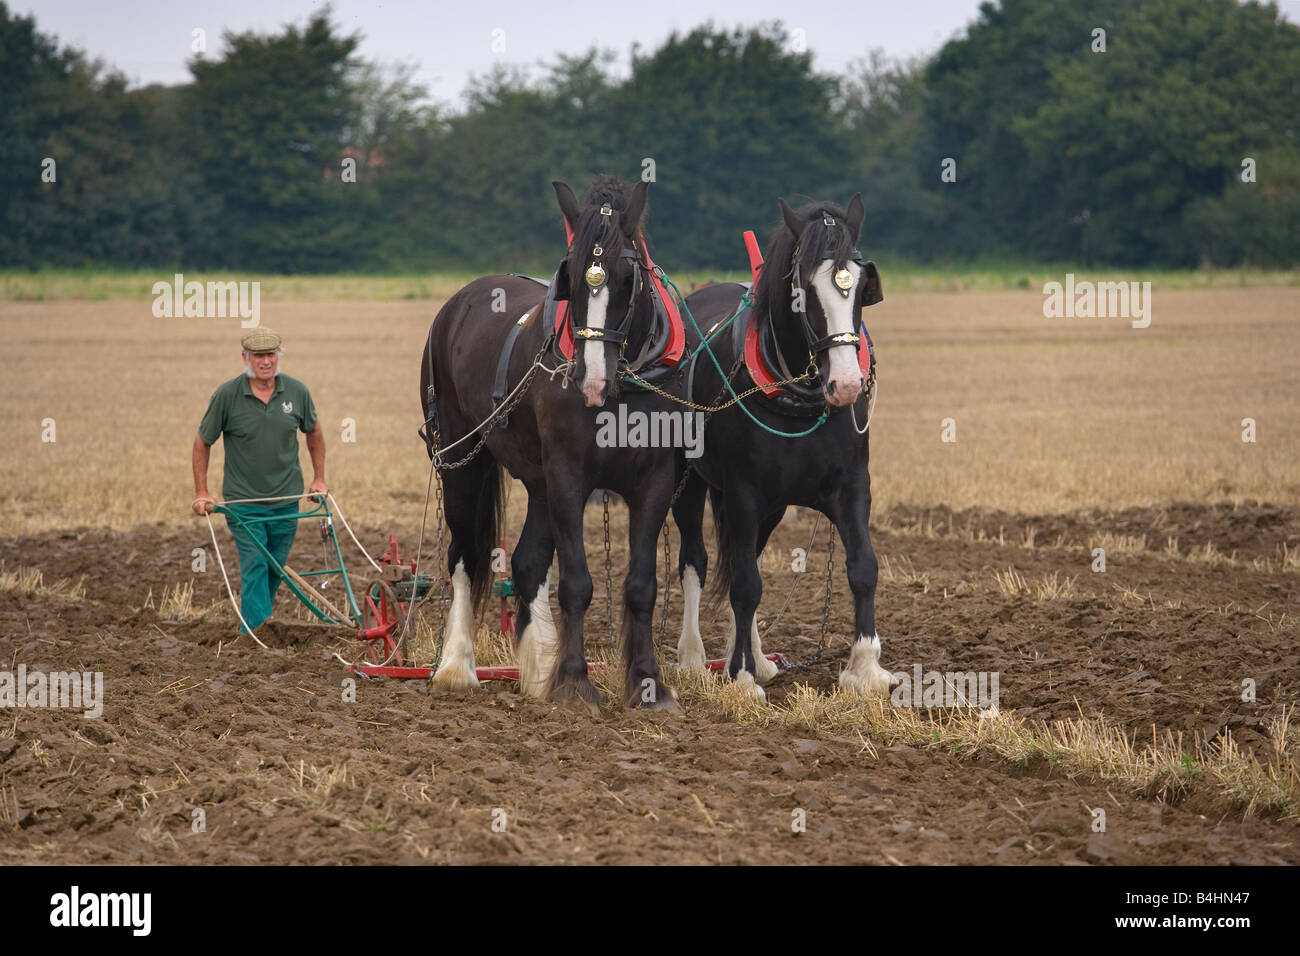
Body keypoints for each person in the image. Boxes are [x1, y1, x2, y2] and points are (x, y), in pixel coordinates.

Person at [192, 328, 327, 632]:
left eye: (270, 355)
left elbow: (314, 431)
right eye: (258, 356)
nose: (265, 361)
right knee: (254, 566)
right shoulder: (227, 396)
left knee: (275, 568)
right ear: (245, 358)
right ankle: (255, 635)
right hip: (244, 504)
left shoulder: (296, 392)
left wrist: (319, 478)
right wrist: (202, 491)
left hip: (286, 502)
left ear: (278, 356)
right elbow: (202, 442)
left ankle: (259, 624)